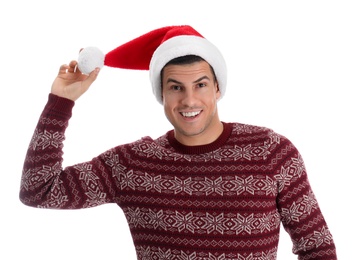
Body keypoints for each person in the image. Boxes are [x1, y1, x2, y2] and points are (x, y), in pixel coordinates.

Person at [20, 25, 337, 259]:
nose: (189, 100)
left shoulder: (272, 152)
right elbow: (39, 191)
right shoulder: (134, 164)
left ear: (217, 87)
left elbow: (317, 247)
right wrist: (60, 102)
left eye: (200, 84)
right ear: (161, 93)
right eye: (175, 87)